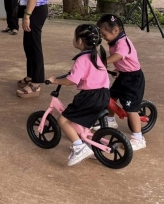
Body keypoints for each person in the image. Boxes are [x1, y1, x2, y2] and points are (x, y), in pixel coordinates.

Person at [46, 24, 111, 167]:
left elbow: (71, 81)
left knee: (63, 120)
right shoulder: (97, 56)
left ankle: (79, 147)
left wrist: (55, 81)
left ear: (80, 41)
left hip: (89, 97)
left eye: (74, 37)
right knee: (82, 119)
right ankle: (91, 144)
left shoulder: (81, 59)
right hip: (104, 95)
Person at [98, 14, 147, 151]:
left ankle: (138, 138)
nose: (103, 37)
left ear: (115, 31)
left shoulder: (122, 42)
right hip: (123, 75)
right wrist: (118, 69)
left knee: (131, 110)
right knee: (110, 97)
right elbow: (123, 61)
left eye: (104, 34)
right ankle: (110, 120)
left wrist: (103, 62)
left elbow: (119, 55)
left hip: (133, 79)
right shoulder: (114, 41)